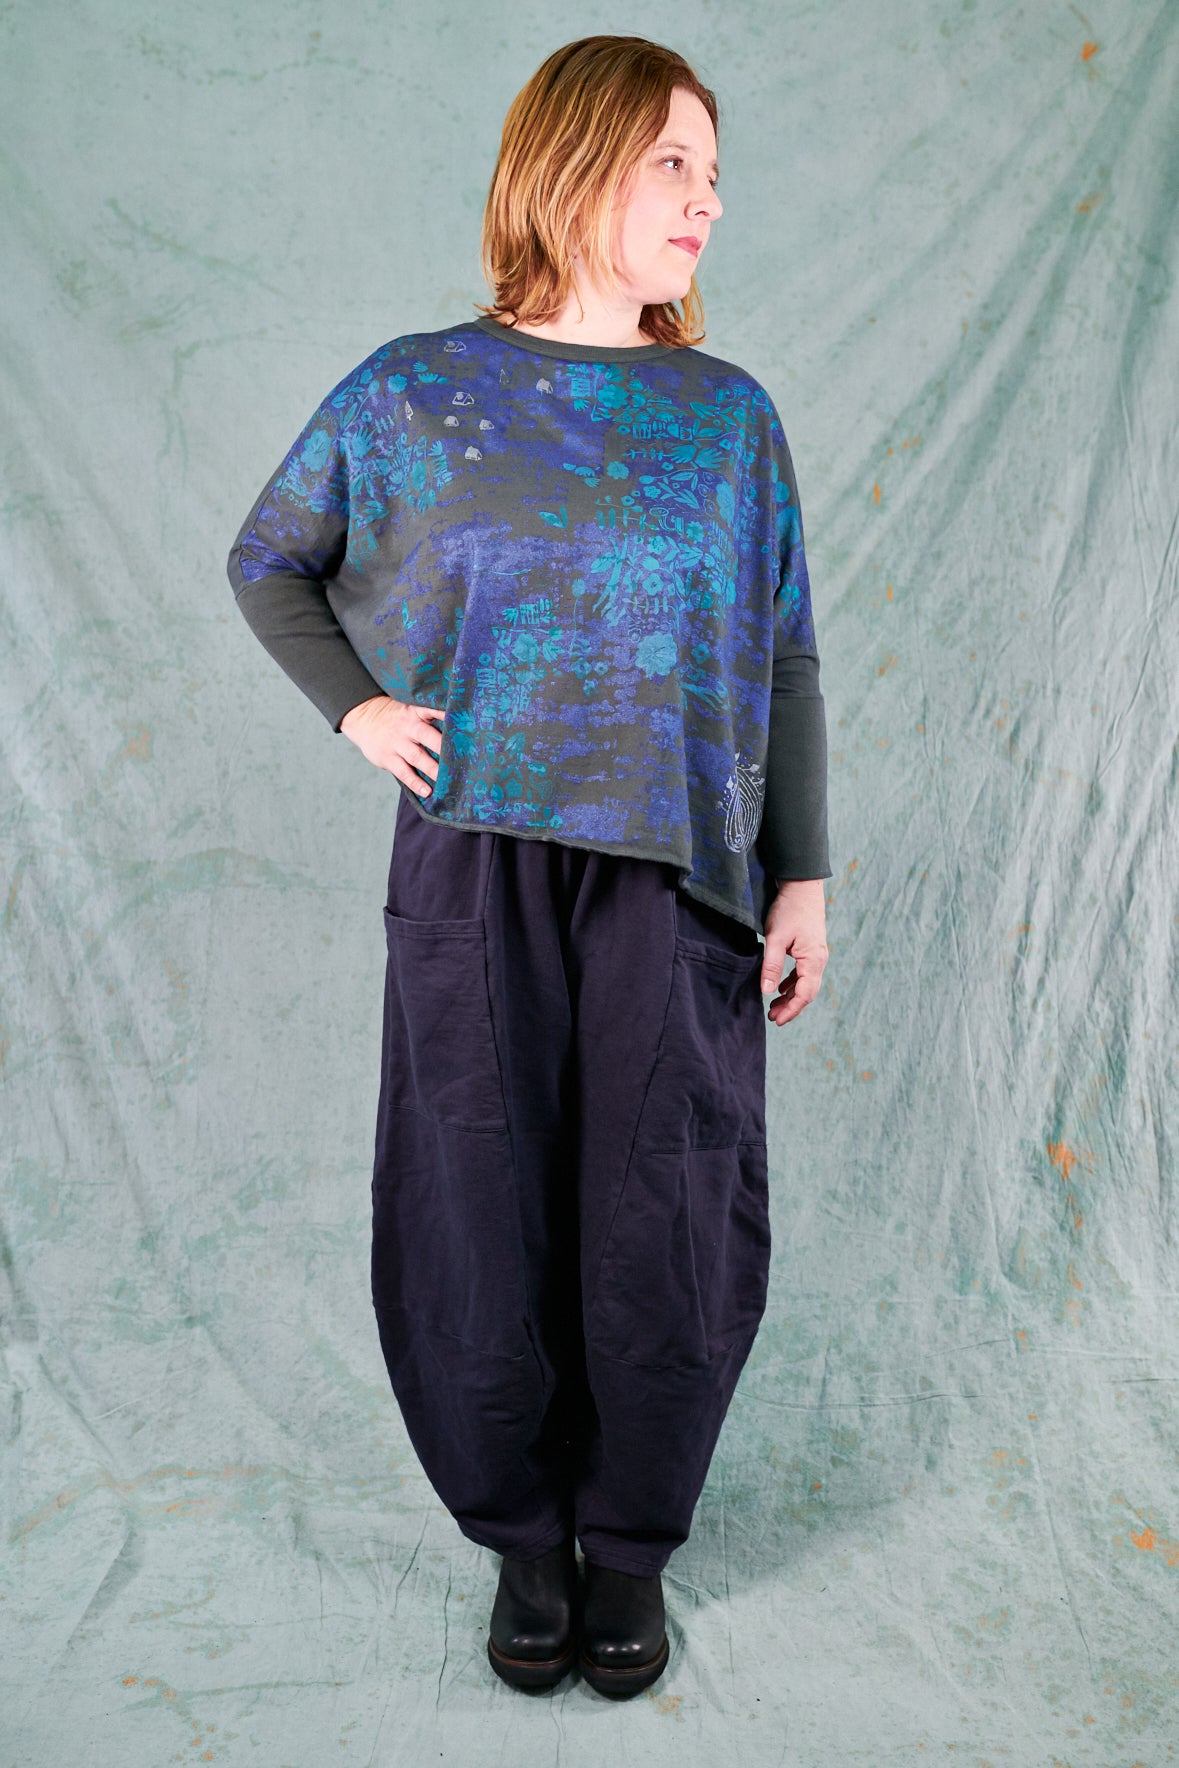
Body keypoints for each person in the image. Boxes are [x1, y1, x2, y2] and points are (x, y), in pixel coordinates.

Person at [225, 34, 831, 1702]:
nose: (708, 202)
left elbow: (781, 654)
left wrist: (803, 875)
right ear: (570, 165)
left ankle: (627, 1544)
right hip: (474, 860)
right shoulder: (413, 394)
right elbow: (272, 559)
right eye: (673, 165)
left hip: (678, 872)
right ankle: (520, 1540)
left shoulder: (727, 421)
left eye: (715, 173)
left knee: (664, 1209)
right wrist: (360, 712)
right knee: (475, 1202)